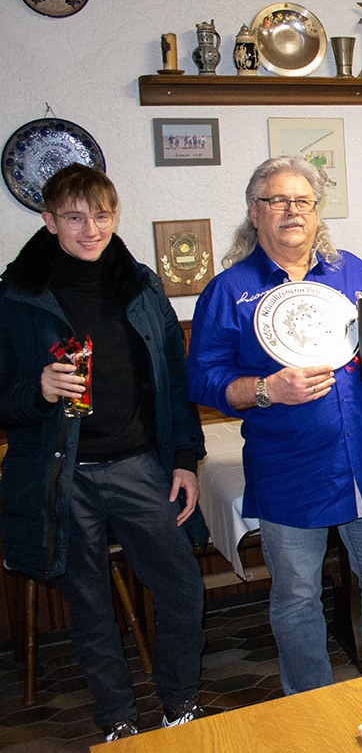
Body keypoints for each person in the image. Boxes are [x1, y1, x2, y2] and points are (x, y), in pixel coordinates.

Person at [187, 156, 362, 695]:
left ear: (317, 211)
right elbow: (203, 379)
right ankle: (310, 710)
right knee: (295, 599)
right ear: (254, 212)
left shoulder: (350, 269)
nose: (292, 211)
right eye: (277, 201)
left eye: (303, 201)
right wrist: (268, 390)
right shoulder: (229, 289)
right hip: (288, 471)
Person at [0, 164, 206, 740]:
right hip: (59, 476)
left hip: (141, 466)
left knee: (182, 591)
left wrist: (185, 460)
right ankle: (116, 720)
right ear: (48, 221)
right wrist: (37, 391)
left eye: (102, 215)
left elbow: (173, 379)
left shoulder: (139, 284)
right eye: (73, 217)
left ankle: (179, 705)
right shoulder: (16, 295)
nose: (90, 229)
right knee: (89, 607)